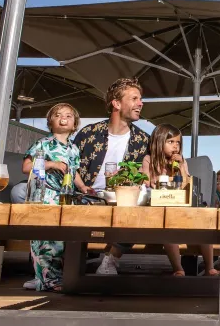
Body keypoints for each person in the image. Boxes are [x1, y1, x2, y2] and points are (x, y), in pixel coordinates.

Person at [72, 78, 150, 275]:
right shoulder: (89, 133)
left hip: (123, 200)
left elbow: (146, 175)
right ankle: (56, 264)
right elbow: (70, 165)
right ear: (116, 104)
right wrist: (82, 187)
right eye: (134, 98)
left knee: (143, 209)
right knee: (22, 193)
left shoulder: (143, 140)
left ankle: (110, 258)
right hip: (85, 196)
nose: (140, 103)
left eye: (140, 99)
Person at [141, 123, 218, 276]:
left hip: (182, 207)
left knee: (204, 227)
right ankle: (178, 268)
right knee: (168, 231)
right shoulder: (149, 160)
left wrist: (181, 167)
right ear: (159, 142)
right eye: (171, 142)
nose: (175, 146)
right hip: (163, 210)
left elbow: (186, 185)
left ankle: (209, 266)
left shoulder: (181, 162)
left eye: (178, 143)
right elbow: (147, 183)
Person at [22, 103, 81, 291]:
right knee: (45, 240)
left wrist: (84, 187)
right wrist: (50, 164)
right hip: (45, 195)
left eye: (69, 116)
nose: (63, 118)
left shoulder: (74, 148)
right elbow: (26, 167)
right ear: (50, 121)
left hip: (65, 197)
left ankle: (45, 278)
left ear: (74, 124)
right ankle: (50, 281)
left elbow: (75, 172)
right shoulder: (42, 144)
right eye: (58, 115)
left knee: (61, 241)